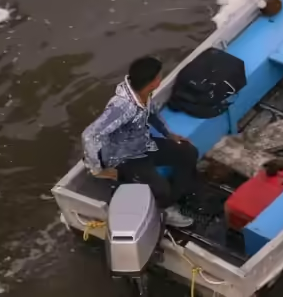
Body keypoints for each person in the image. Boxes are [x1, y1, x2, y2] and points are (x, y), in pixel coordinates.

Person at [82, 56, 198, 229]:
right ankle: (164, 209)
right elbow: (90, 135)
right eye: (159, 76)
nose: (161, 78)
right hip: (124, 158)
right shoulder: (123, 107)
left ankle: (178, 194)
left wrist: (169, 135)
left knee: (188, 152)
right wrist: (98, 169)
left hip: (142, 145)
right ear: (153, 83)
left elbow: (152, 113)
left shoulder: (144, 95)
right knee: (161, 190)